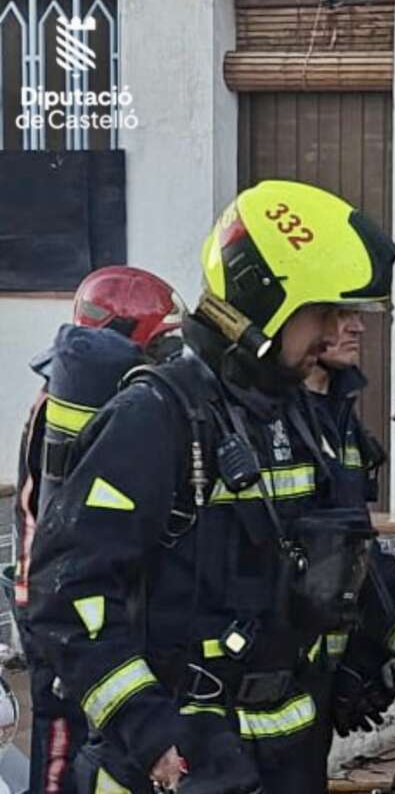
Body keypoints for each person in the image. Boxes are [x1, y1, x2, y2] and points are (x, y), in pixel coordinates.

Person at [26, 180, 395, 794]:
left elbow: (358, 569)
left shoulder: (296, 417)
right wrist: (150, 731)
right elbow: (68, 592)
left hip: (286, 753)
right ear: (263, 305)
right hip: (180, 765)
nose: (339, 331)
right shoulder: (156, 419)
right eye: (326, 311)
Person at [13, 265, 186, 794]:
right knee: (61, 757)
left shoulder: (79, 399)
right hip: (60, 612)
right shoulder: (87, 409)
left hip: (64, 603)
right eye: (161, 346)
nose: (171, 360)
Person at [302, 306, 395, 770]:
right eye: (339, 314)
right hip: (272, 678)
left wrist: (369, 644)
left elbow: (356, 546)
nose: (358, 327)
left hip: (323, 674)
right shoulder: (268, 419)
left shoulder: (342, 415)